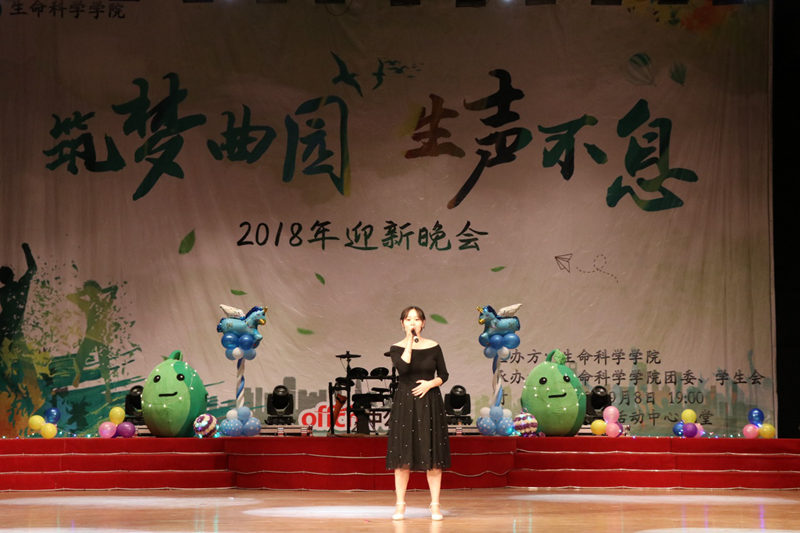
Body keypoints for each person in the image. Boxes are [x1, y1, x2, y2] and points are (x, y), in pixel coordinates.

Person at [385, 306, 450, 521]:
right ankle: (400, 505)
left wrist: (430, 384)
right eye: (408, 319)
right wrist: (410, 343)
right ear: (402, 323)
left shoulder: (434, 346)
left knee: (432, 455)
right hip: (405, 402)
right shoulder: (396, 348)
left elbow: (444, 374)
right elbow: (403, 369)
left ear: (423, 323)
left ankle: (435, 505)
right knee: (403, 455)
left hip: (429, 402)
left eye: (416, 319)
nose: (412, 322)